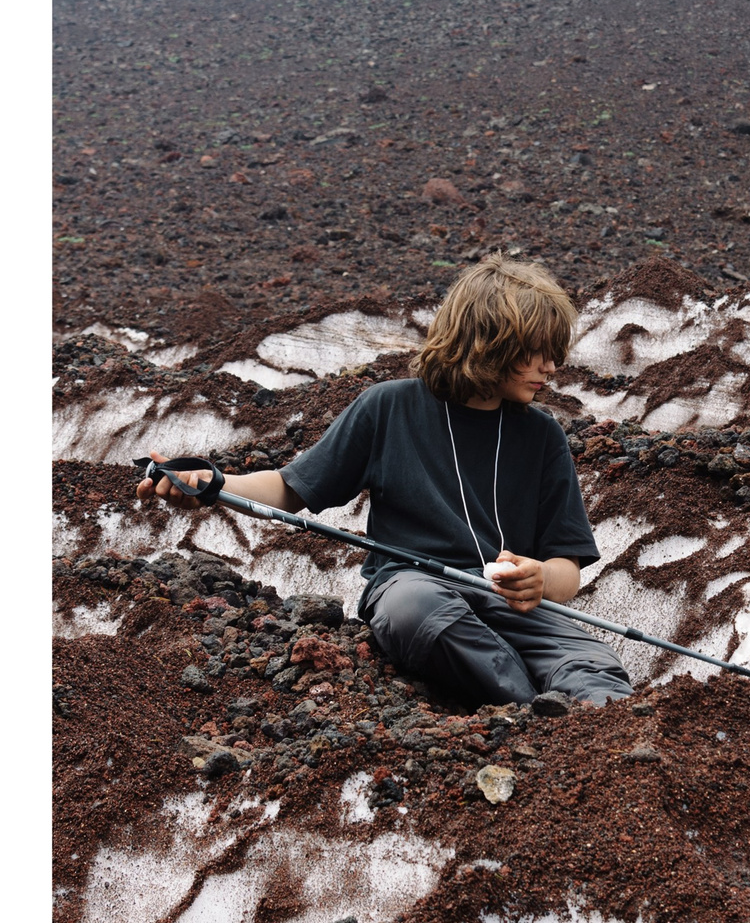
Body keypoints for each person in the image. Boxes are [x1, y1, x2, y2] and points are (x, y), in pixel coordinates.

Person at [139, 255, 635, 708]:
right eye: (535, 352)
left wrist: (540, 579)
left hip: (510, 608)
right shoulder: (388, 407)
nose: (552, 367)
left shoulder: (543, 435)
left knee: (596, 665)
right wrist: (212, 483)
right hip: (411, 589)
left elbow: (566, 571)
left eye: (555, 353)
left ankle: (583, 723)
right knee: (418, 609)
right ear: (487, 341)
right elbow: (291, 488)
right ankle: (530, 712)